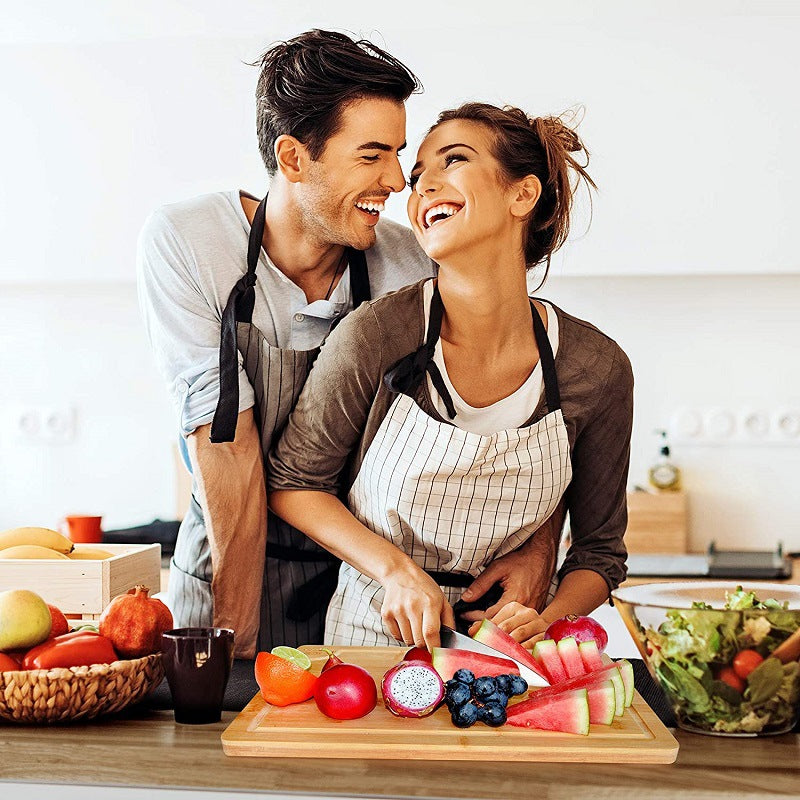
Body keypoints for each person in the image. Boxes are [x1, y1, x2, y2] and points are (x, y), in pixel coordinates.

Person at [137, 32, 561, 658]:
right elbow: (224, 443)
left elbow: (522, 408)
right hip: (227, 561)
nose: (397, 180)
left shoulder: (411, 262)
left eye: (398, 154)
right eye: (372, 156)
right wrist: (233, 644)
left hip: (361, 586)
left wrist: (540, 546)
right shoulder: (192, 240)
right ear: (293, 158)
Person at [268, 103, 633, 651]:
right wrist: (394, 571)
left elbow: (600, 554)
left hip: (515, 654)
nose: (419, 187)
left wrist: (549, 619)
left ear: (522, 195)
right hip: (369, 640)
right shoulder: (376, 336)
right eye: (417, 178)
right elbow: (295, 485)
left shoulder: (596, 368)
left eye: (452, 161)